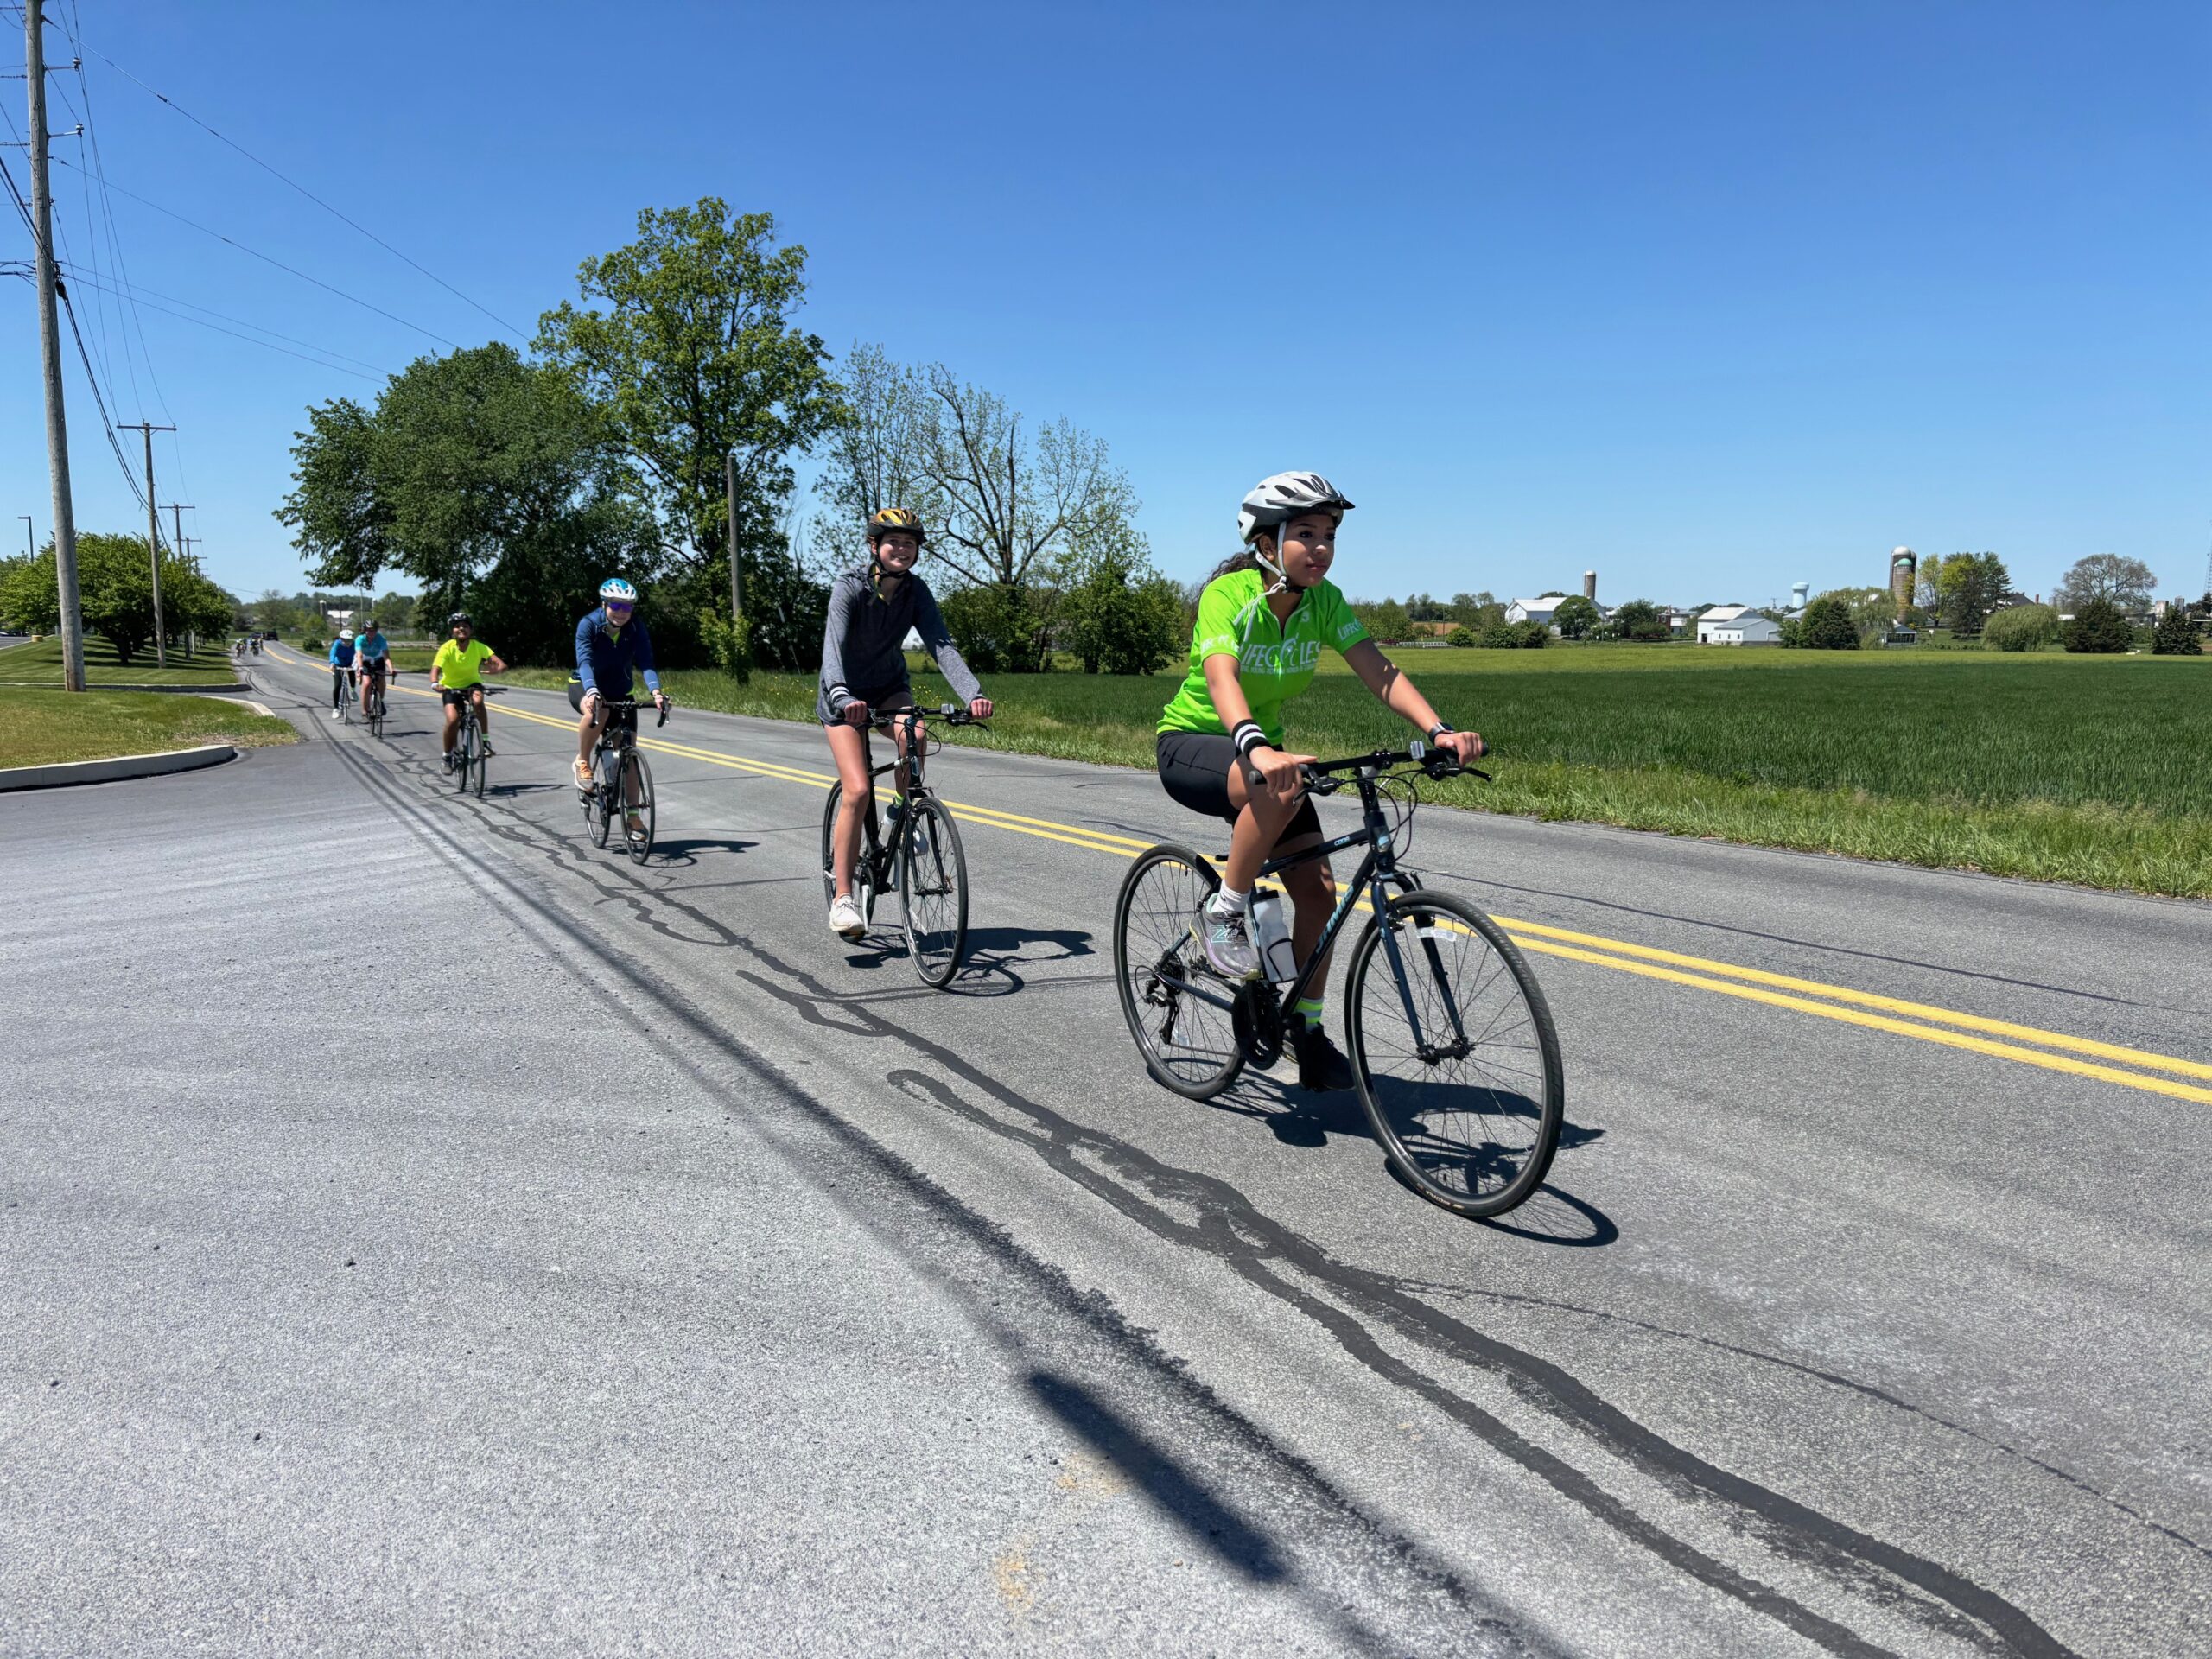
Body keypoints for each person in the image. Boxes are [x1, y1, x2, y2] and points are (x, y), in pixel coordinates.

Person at [1154, 471, 1486, 1092]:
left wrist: (1440, 729)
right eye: (1305, 533)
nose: (1321, 547)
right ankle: (1225, 911)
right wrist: (1254, 742)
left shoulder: (1324, 602)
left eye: (1329, 535)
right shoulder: (1229, 595)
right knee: (1279, 783)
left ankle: (1304, 1026)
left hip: (1264, 760)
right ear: (1266, 541)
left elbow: (1379, 671)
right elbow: (1222, 675)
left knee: (1318, 893)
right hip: (1195, 745)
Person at [819, 508, 992, 941]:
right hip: (843, 696)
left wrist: (972, 694)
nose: (902, 549)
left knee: (914, 734)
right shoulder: (849, 586)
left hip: (888, 687)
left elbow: (940, 644)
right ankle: (843, 897)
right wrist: (841, 693)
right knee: (857, 790)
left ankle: (901, 811)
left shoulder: (916, 591)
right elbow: (833, 646)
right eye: (893, 541)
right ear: (874, 546)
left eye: (909, 543)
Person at [569, 577, 667, 838]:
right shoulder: (589, 624)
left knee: (629, 753)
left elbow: (646, 662)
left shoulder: (635, 627)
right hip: (584, 685)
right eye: (616, 605)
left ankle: (633, 817)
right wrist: (592, 690)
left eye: (628, 607)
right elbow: (585, 662)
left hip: (621, 691)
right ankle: (582, 762)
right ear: (604, 604)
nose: (622, 612)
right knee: (598, 710)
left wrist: (656, 692)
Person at [429, 612, 506, 765]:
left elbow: (502, 665)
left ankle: (485, 741)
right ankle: (447, 755)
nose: (461, 629)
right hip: (450, 687)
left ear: (471, 630)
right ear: (452, 630)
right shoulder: (447, 648)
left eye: (465, 626)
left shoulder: (479, 647)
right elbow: (435, 668)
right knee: (453, 720)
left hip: (472, 684)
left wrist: (496, 670)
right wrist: (435, 683)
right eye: (457, 626)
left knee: (478, 702)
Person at [354, 618, 392, 717]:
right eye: (368, 630)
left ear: (377, 630)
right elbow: (359, 655)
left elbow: (386, 656)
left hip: (378, 659)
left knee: (381, 680)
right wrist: (360, 667)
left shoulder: (381, 639)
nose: (371, 632)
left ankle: (381, 701)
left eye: (374, 630)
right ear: (365, 630)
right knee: (367, 683)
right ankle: (365, 709)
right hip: (365, 661)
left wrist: (391, 669)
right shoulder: (360, 639)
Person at [327, 629, 358, 717]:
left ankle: (353, 691)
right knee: (337, 685)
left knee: (352, 673)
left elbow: (358, 654)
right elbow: (333, 653)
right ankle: (336, 708)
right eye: (345, 640)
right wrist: (332, 663)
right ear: (341, 639)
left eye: (349, 640)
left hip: (350, 664)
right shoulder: (337, 643)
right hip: (338, 665)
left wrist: (357, 664)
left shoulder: (354, 644)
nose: (347, 642)